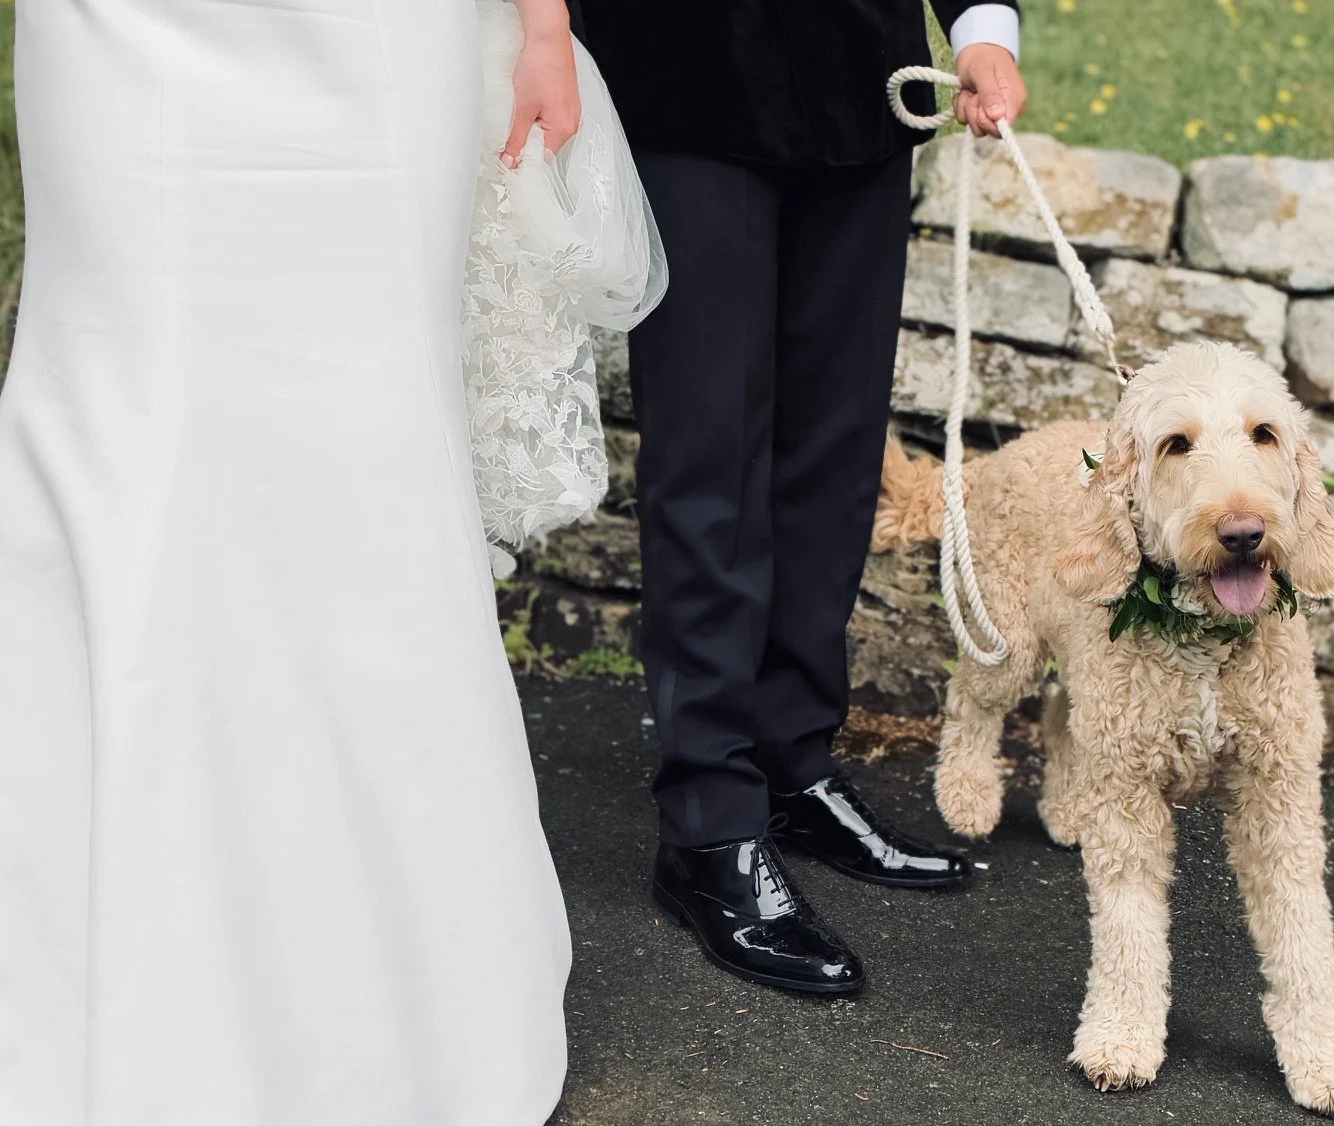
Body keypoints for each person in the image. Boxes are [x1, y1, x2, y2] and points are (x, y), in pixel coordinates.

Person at [0, 1, 659, 1121]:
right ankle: (81, 950)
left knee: (364, 431)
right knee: (123, 423)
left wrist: (542, 22)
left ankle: (380, 981)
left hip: (375, 39)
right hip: (121, 37)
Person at [573, 1, 1028, 993]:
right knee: (711, 461)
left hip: (858, 76)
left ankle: (791, 761)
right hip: (685, 74)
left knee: (835, 451)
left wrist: (983, 25)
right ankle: (707, 822)